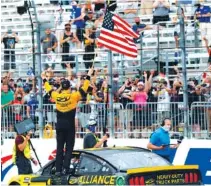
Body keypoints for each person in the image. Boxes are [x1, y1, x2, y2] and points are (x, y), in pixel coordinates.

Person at [44, 67, 93, 181]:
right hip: (70, 126)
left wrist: (44, 80)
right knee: (69, 148)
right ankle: (66, 169)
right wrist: (88, 75)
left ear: (62, 88)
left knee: (59, 148)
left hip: (59, 126)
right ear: (70, 88)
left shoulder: (57, 96)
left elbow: (49, 90)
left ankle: (58, 170)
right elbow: (84, 88)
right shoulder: (73, 96)